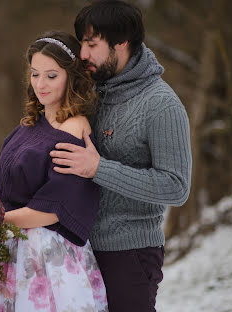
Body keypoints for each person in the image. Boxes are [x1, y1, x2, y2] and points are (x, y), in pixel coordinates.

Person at [49, 1, 192, 311]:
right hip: (78, 249)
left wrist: (99, 168)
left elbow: (176, 186)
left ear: (122, 41)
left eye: (91, 44)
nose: (82, 54)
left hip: (130, 256)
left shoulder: (161, 105)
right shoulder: (91, 94)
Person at [0, 31, 108, 312]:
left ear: (71, 78)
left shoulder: (74, 128)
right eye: (35, 74)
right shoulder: (30, 123)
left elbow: (55, 209)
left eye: (51, 75)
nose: (40, 84)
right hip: (9, 243)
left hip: (43, 256)